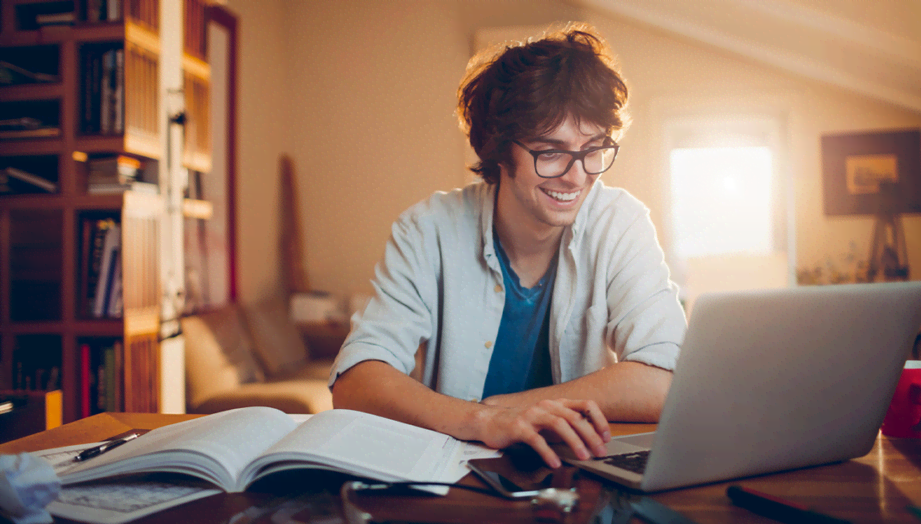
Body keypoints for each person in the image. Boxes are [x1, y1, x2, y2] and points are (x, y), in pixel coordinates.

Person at [329, 23, 687, 468]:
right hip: (454, 476)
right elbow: (356, 381)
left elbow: (669, 379)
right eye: (550, 152)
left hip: (575, 474)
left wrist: (512, 406)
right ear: (500, 150)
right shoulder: (428, 230)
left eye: (593, 148)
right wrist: (480, 421)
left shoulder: (620, 222)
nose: (577, 176)